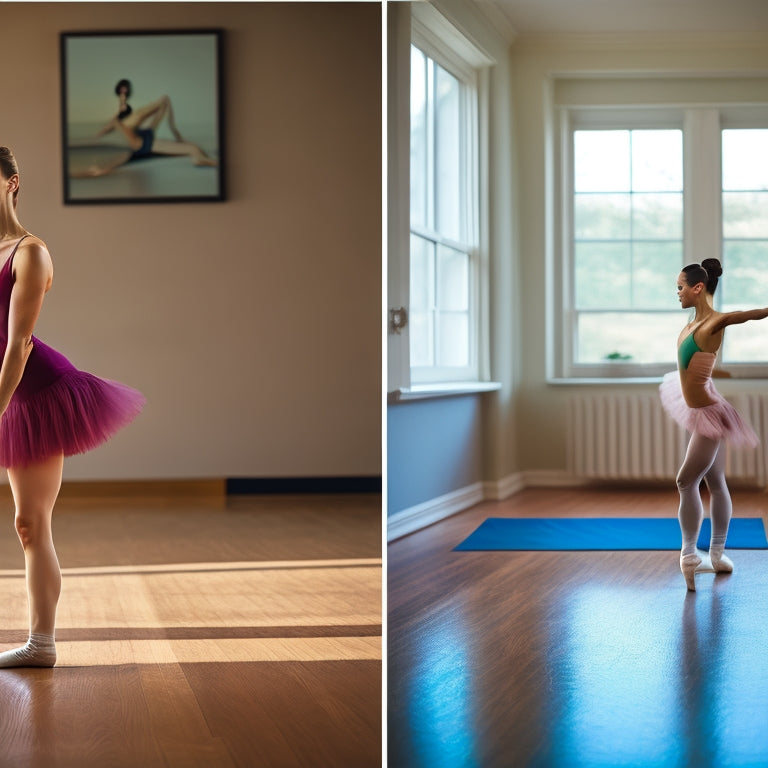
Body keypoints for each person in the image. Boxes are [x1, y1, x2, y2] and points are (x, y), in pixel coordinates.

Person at [0, 146, 144, 666]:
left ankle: (42, 644)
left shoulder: (30, 252)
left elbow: (18, 346)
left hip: (36, 392)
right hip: (4, 391)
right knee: (25, 522)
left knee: (30, 521)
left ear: (12, 183)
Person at [660, 259, 768, 591]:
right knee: (716, 481)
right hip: (701, 402)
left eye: (680, 287)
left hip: (709, 412)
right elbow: (692, 367)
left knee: (684, 481)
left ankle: (690, 555)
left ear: (697, 288)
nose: (676, 293)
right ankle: (718, 556)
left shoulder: (715, 323)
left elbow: (750, 314)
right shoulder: (691, 325)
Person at [71, 79, 217, 177]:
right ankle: (197, 157)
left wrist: (174, 133)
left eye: (124, 93)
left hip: (142, 144)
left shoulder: (126, 119)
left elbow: (163, 102)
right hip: (143, 145)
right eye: (121, 94)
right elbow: (103, 134)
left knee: (193, 148)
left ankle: (197, 155)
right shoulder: (120, 120)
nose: (123, 98)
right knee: (193, 149)